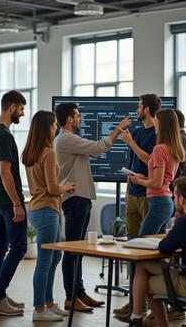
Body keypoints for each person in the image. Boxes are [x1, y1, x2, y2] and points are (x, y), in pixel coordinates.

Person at [54, 102, 130, 312]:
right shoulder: (67, 138)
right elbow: (98, 149)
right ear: (69, 119)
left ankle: (80, 293)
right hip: (75, 200)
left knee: (77, 250)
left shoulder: (68, 138)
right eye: (77, 116)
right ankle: (71, 298)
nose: (80, 119)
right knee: (72, 251)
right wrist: (117, 129)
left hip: (81, 199)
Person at [126, 176, 186, 327]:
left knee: (144, 280)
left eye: (174, 197)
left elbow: (164, 248)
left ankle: (139, 319)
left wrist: (178, 224)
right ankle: (138, 318)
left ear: (181, 199)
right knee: (143, 265)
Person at [22, 110, 75, 322]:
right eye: (54, 125)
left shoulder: (30, 152)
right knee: (45, 261)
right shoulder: (48, 153)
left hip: (38, 208)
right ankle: (39, 309)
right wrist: (66, 186)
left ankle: (49, 303)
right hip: (46, 210)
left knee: (55, 256)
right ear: (47, 128)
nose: (56, 128)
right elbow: (53, 189)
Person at [113, 94, 160, 318]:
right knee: (132, 247)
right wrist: (127, 189)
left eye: (140, 105)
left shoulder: (156, 133)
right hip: (132, 193)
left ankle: (149, 304)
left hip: (149, 195)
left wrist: (131, 142)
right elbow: (132, 160)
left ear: (148, 109)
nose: (137, 108)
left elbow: (150, 160)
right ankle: (135, 302)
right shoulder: (138, 131)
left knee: (146, 250)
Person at [0, 90, 27, 316]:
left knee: (0, 246)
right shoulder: (4, 136)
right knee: (19, 246)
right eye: (20, 109)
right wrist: (17, 203)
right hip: (7, 200)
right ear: (11, 107)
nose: (22, 113)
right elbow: (5, 171)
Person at [127, 108, 185, 236]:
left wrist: (139, 181)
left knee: (142, 240)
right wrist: (145, 178)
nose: (155, 124)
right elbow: (163, 179)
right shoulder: (173, 147)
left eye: (157, 122)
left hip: (159, 202)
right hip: (166, 201)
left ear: (162, 125)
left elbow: (158, 183)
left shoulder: (159, 149)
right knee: (155, 245)